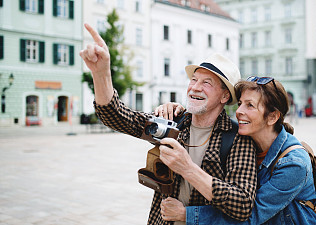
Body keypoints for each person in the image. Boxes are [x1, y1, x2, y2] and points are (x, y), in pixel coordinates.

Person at [79, 23, 257, 225]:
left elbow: (243, 205)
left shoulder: (237, 138)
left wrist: (188, 168)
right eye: (194, 79)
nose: (195, 87)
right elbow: (116, 116)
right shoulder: (175, 120)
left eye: (206, 83)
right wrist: (101, 73)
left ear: (225, 95)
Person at [159, 76, 316, 225]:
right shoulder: (246, 141)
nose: (239, 112)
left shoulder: (294, 164)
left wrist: (185, 214)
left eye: (250, 105)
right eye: (240, 103)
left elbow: (250, 217)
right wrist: (179, 111)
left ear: (272, 117)